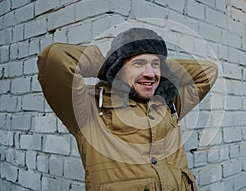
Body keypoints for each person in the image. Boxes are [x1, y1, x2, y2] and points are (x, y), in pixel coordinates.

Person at [37, 27, 218, 191]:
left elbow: (208, 71)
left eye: (155, 64)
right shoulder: (88, 109)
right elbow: (55, 58)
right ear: (118, 67)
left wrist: (163, 69)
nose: (150, 73)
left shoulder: (168, 103)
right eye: (138, 64)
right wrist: (108, 67)